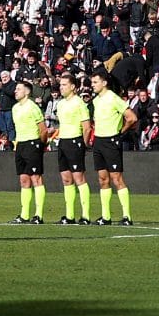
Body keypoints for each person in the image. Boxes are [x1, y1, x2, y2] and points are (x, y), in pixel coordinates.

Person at [88, 71, 136, 227]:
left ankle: (127, 216)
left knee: (117, 179)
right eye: (92, 82)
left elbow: (132, 117)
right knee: (103, 179)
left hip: (111, 141)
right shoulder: (96, 101)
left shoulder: (114, 98)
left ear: (104, 83)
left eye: (95, 82)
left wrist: (120, 131)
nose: (92, 85)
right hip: (99, 141)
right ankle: (105, 216)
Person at [50, 73, 92, 225]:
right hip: (63, 142)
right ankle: (69, 215)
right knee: (66, 179)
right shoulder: (60, 104)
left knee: (79, 178)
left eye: (64, 85)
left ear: (73, 87)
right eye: (60, 85)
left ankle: (86, 216)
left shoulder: (79, 103)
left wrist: (84, 144)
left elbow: (87, 127)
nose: (61, 88)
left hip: (75, 141)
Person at [10, 79, 47, 225]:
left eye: (18, 89)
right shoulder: (14, 108)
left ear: (27, 91)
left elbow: (43, 129)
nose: (15, 91)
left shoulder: (33, 107)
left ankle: (38, 215)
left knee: (36, 178)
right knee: (24, 179)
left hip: (33, 143)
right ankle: (24, 215)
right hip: (20, 144)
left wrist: (40, 145)